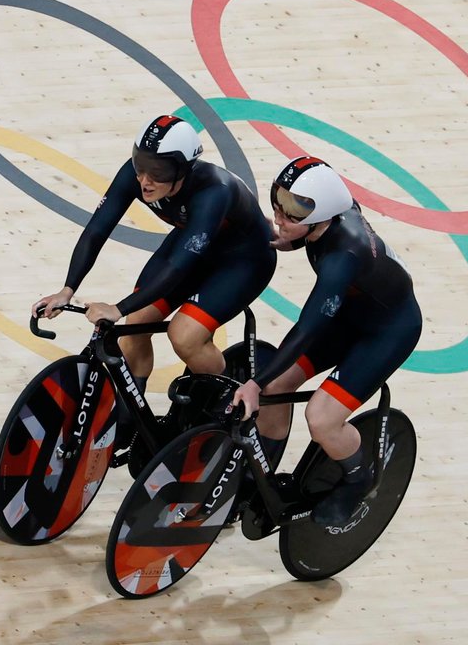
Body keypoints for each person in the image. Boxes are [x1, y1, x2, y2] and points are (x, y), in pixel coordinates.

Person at [32, 115, 277, 445]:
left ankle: (219, 400)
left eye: (159, 172)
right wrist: (68, 288)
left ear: (184, 169)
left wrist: (117, 308)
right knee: (137, 323)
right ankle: (133, 414)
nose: (145, 180)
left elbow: (179, 267)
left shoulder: (213, 192)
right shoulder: (138, 176)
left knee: (185, 335)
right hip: (192, 245)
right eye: (141, 165)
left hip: (242, 261)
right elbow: (97, 230)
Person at [231, 156, 422, 526]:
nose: (281, 215)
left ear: (321, 218)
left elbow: (306, 329)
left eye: (293, 211)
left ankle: (357, 479)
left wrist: (252, 385)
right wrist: (292, 239)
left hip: (387, 332)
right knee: (276, 385)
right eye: (279, 201)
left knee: (321, 419)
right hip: (352, 312)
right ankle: (261, 475)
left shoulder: (342, 257)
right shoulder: (332, 214)